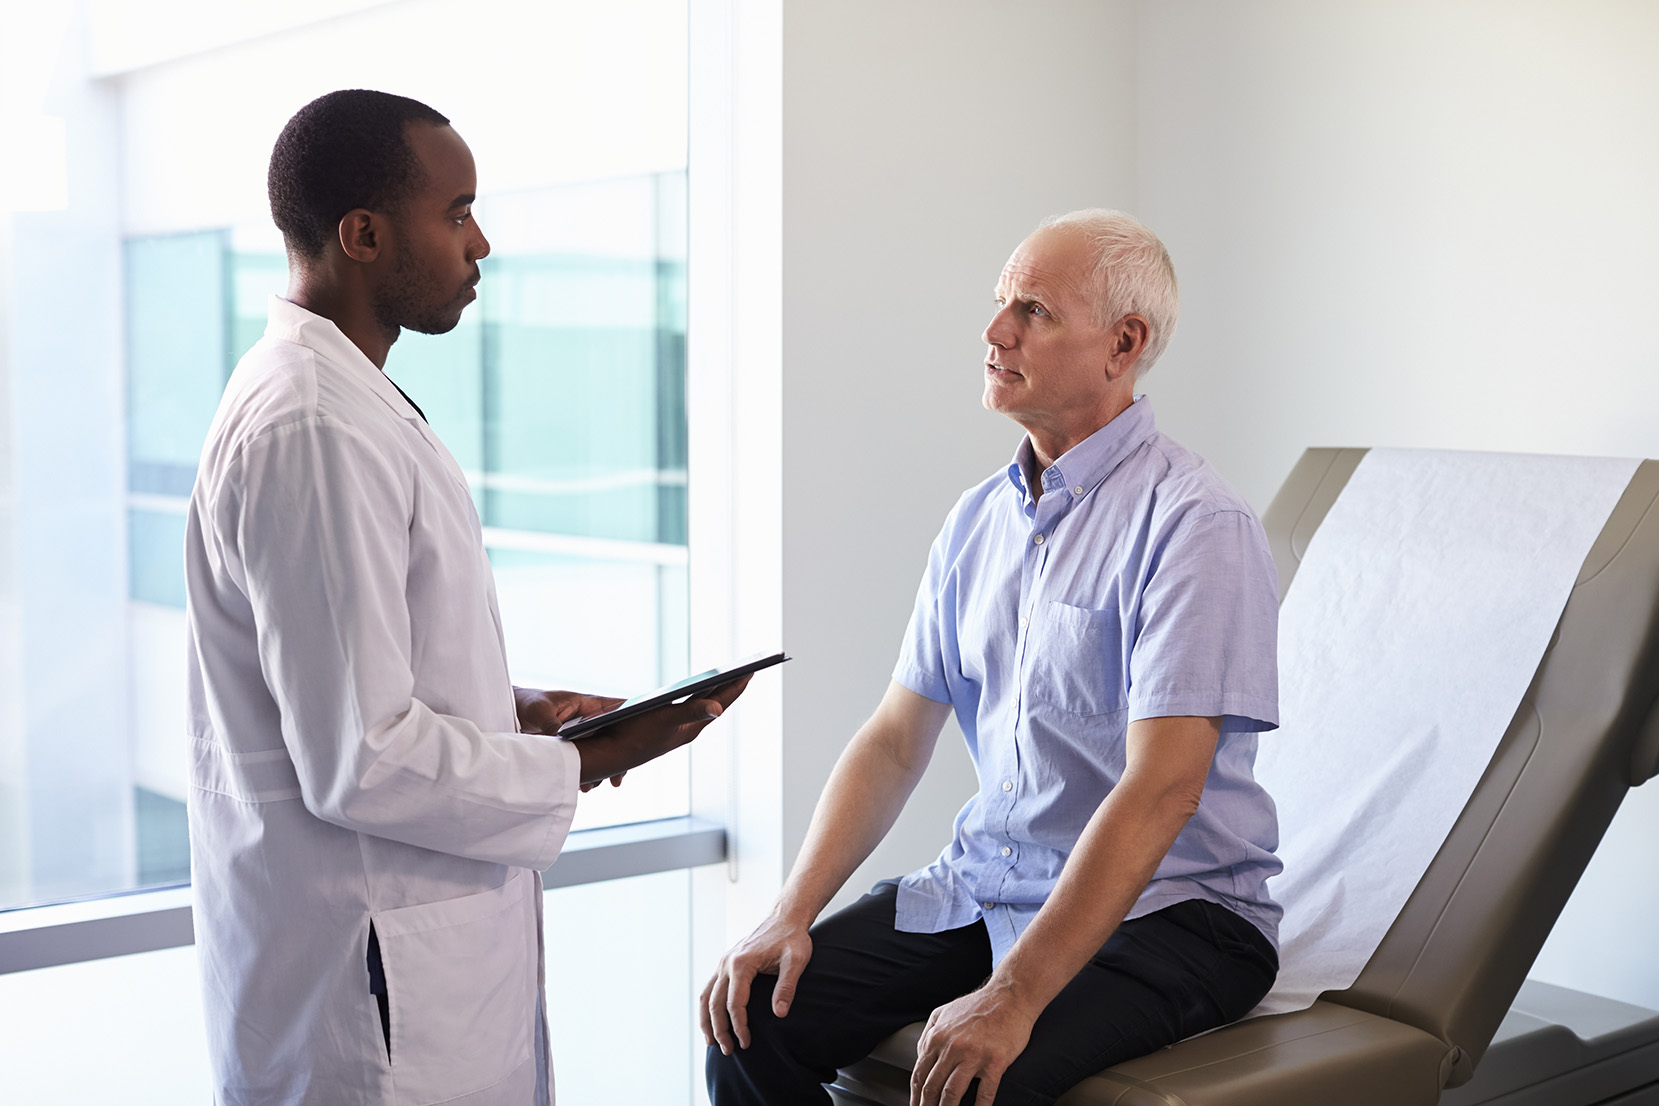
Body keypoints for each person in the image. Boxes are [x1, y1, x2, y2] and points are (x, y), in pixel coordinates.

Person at [185, 89, 744, 1106]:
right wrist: (576, 760)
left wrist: (512, 706)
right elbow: (361, 755)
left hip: (410, 965)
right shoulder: (314, 428)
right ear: (362, 234)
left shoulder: (340, 399)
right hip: (371, 1001)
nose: (480, 241)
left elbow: (348, 668)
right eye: (456, 213)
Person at [701, 210, 1282, 1106]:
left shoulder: (1195, 524)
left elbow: (1163, 786)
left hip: (1173, 915)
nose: (994, 331)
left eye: (1033, 311)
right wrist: (789, 914)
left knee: (983, 1083)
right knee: (749, 1022)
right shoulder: (978, 520)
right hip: (990, 884)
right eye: (999, 303)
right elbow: (896, 740)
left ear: (1121, 344)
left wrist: (1011, 996)